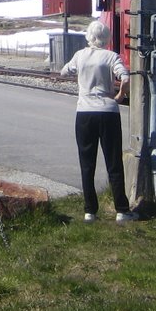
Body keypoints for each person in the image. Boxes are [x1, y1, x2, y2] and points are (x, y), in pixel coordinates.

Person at [60, 20, 138, 224]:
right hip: (108, 111)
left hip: (84, 113)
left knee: (87, 164)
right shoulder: (112, 56)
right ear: (107, 38)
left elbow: (64, 71)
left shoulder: (80, 56)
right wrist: (120, 95)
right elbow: (126, 78)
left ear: (89, 36)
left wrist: (80, 76)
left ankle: (90, 211)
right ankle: (122, 210)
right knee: (114, 163)